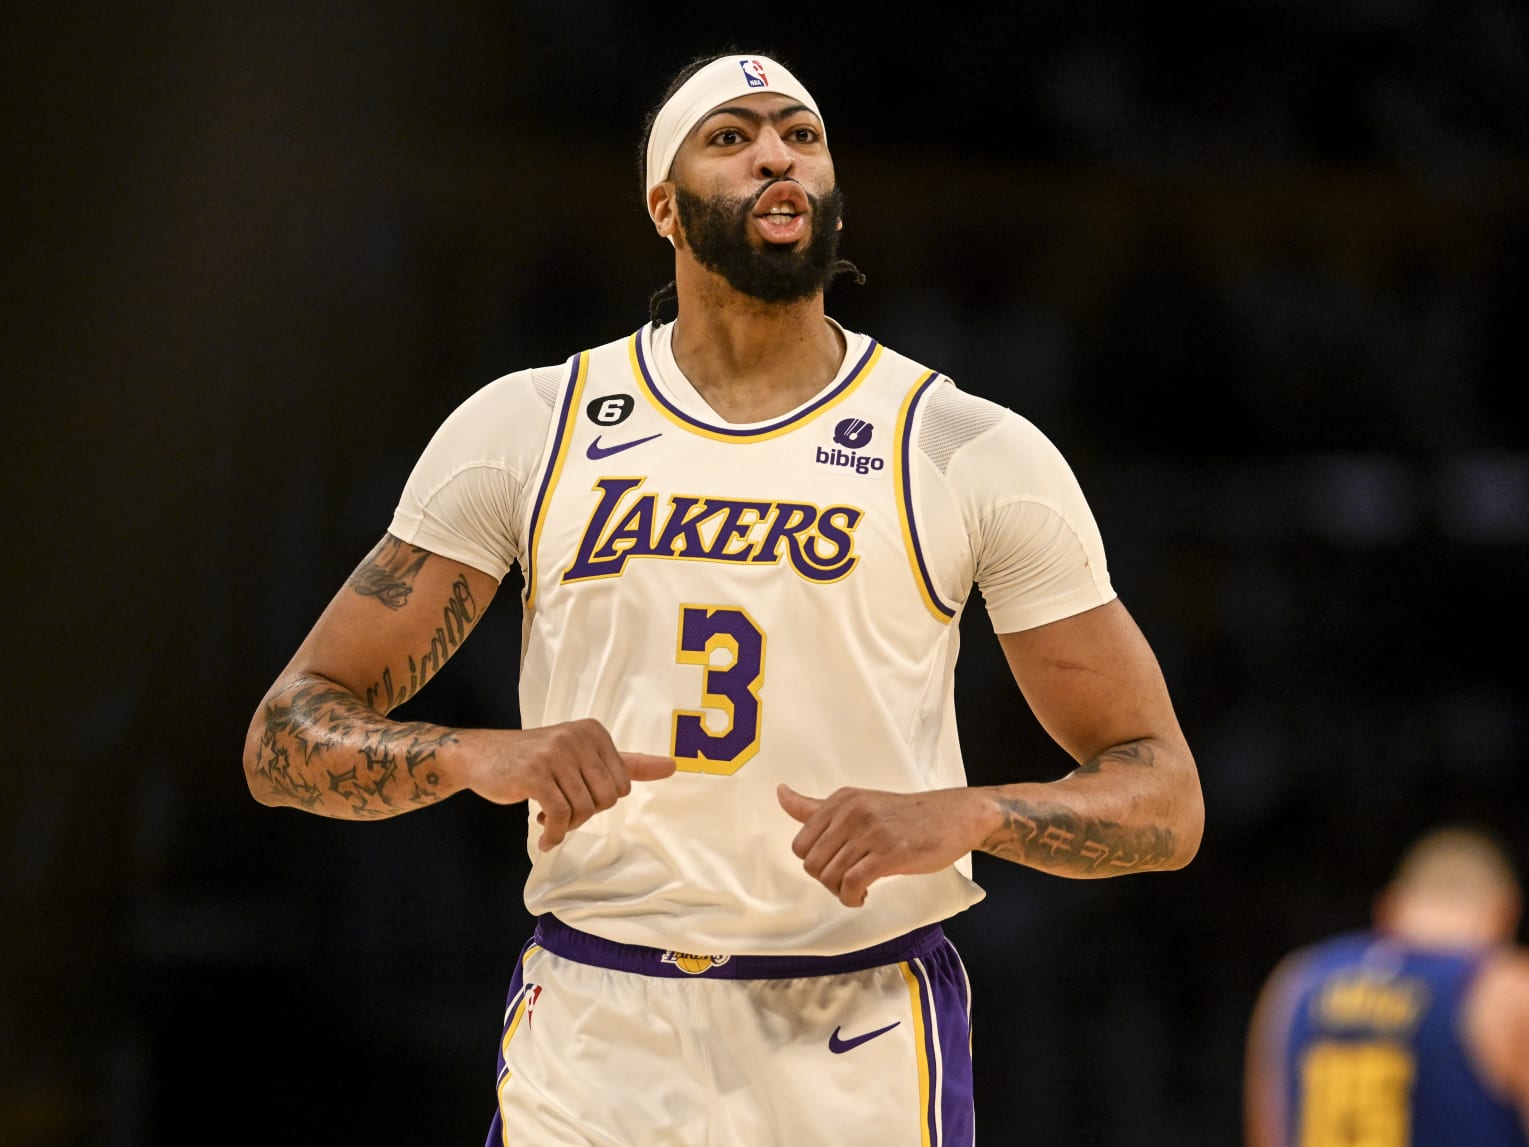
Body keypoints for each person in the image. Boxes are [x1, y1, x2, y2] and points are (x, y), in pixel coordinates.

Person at [242, 47, 1204, 1147]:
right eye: (732, 137)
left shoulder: (963, 445)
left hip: (857, 1023)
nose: (777, 158)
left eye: (801, 134)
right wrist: (475, 754)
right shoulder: (531, 426)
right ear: (663, 202)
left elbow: (1166, 799)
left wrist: (971, 811)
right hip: (600, 1024)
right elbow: (285, 735)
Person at [1243, 824, 1529, 1147]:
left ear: (1390, 908)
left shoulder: (1295, 981)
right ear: (1506, 912)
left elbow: (1269, 1136)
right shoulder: (1523, 994)